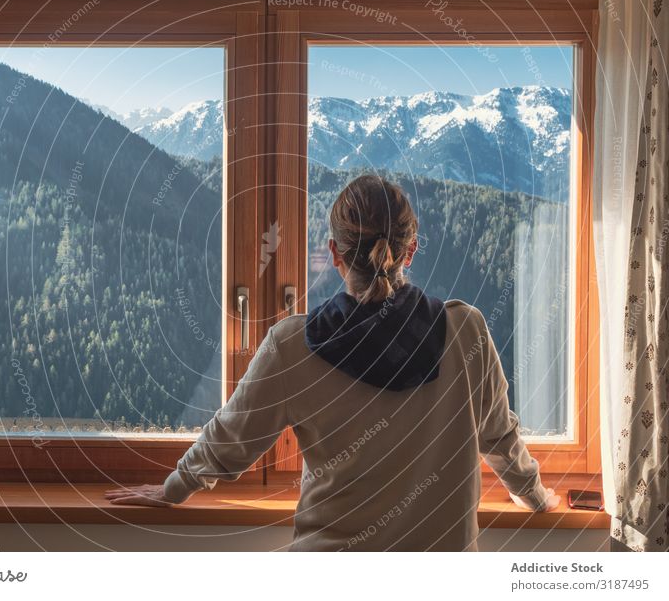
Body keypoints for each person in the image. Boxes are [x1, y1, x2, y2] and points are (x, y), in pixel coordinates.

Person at [106, 174, 559, 551]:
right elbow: (500, 438)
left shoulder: (292, 346)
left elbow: (231, 440)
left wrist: (175, 488)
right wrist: (536, 498)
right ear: (411, 250)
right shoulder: (466, 331)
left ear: (336, 254)